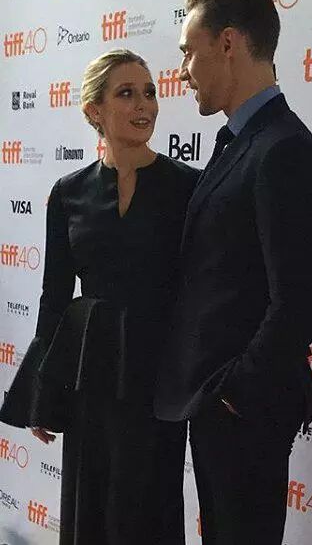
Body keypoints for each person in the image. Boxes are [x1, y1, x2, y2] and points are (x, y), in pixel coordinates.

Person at [153, 0, 312, 544]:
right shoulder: (242, 140)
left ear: (227, 43)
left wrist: (231, 395)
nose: (183, 71)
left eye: (188, 52)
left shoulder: (283, 149)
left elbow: (300, 302)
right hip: (220, 405)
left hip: (243, 410)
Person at [0, 49, 198, 544]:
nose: (144, 105)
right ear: (94, 110)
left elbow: (202, 289)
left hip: (159, 376)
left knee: (150, 506)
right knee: (90, 502)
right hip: (92, 373)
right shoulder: (68, 192)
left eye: (149, 92)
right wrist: (41, 390)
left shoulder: (188, 187)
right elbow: (53, 298)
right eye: (126, 93)